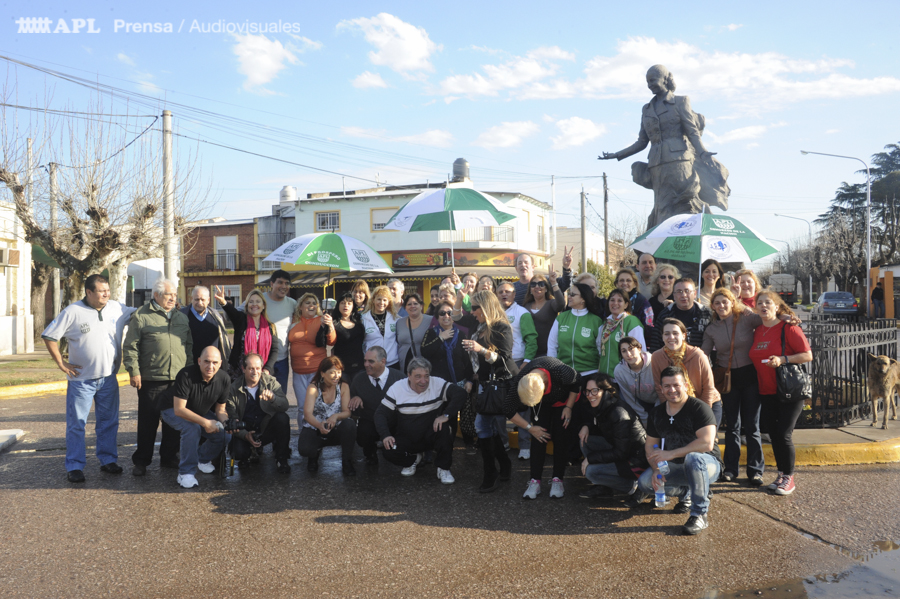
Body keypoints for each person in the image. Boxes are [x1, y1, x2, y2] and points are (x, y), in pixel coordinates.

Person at [600, 64, 730, 229]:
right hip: (657, 165)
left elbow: (692, 132)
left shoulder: (681, 102)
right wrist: (617, 154)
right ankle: (661, 250)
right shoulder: (646, 109)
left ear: (665, 79)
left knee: (685, 203)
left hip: (680, 163)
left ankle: (701, 233)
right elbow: (641, 142)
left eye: (652, 80)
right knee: (662, 208)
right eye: (647, 82)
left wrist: (703, 152)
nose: (650, 85)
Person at [41, 274, 137, 483]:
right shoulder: (73, 311)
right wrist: (61, 362)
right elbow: (49, 335)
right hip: (81, 381)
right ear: (89, 292)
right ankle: (75, 466)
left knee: (109, 423)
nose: (106, 294)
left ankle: (108, 460)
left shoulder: (116, 308)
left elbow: (141, 314)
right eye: (102, 291)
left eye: (108, 290)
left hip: (108, 379)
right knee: (77, 424)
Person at [633, 366, 721, 535]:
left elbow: (707, 443)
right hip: (675, 465)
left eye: (676, 385)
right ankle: (690, 491)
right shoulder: (657, 413)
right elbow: (651, 445)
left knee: (694, 458)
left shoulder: (699, 408)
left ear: (686, 385)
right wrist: (655, 469)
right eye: (667, 386)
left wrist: (670, 454)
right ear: (661, 388)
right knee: (645, 483)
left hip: (706, 464)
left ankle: (699, 514)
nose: (671, 390)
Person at [123, 278, 192, 477]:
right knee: (148, 422)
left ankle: (169, 457)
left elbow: (188, 346)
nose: (173, 298)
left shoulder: (181, 317)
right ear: (156, 295)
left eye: (174, 295)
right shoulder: (142, 316)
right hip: (151, 378)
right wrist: (134, 370)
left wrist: (187, 374)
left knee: (173, 421)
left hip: (176, 379)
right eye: (168, 294)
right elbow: (131, 346)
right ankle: (142, 461)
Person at [749, 290, 812, 496]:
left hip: (789, 390)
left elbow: (807, 355)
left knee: (784, 434)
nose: (764, 306)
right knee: (774, 435)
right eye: (760, 303)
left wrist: (783, 359)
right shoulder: (757, 330)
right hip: (766, 391)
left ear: (777, 307)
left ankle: (789, 477)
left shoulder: (789, 328)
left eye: (768, 303)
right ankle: (782, 473)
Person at [701, 288, 765, 486]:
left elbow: (767, 317)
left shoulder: (746, 319)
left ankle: (755, 471)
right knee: (732, 427)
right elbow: (703, 354)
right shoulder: (712, 328)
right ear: (713, 306)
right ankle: (730, 469)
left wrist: (787, 317)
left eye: (725, 302)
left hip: (750, 376)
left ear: (732, 302)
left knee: (752, 426)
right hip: (728, 380)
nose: (721, 306)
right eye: (717, 303)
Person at [376, 357, 467, 484]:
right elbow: (380, 414)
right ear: (409, 375)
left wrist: (446, 415)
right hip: (407, 437)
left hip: (431, 434)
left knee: (445, 429)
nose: (423, 381)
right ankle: (413, 460)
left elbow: (461, 393)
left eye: (426, 376)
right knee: (388, 450)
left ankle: (443, 468)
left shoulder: (437, 383)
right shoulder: (397, 388)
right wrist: (385, 435)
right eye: (418, 376)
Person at [462, 290, 519, 492]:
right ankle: (503, 465)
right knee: (488, 427)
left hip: (502, 383)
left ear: (486, 308)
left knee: (483, 426)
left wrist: (481, 350)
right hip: (485, 384)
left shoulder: (501, 327)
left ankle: (491, 473)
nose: (472, 311)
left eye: (475, 308)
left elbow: (504, 359)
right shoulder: (478, 327)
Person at [504, 356, 581, 499]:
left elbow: (577, 382)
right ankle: (535, 481)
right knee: (538, 436)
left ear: (545, 384)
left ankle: (558, 479)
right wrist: (529, 428)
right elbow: (508, 409)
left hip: (562, 403)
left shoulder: (561, 372)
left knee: (560, 437)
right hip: (540, 407)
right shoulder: (522, 380)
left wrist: (569, 407)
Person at [158, 347, 231, 489]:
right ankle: (185, 473)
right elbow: (179, 410)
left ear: (220, 363)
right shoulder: (186, 375)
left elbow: (220, 409)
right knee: (192, 428)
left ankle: (202, 459)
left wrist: (226, 423)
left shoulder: (224, 379)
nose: (210, 366)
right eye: (206, 361)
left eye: (215, 362)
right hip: (171, 408)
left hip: (197, 410)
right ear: (199, 361)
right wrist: (205, 422)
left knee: (224, 435)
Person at [578, 374, 649, 499]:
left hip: (636, 461)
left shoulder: (619, 413)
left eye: (595, 391)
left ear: (606, 391)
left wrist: (590, 458)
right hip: (622, 450)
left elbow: (621, 452)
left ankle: (632, 486)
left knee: (591, 472)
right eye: (588, 391)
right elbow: (596, 424)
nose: (590, 395)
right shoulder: (603, 405)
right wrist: (586, 426)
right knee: (586, 440)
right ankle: (604, 486)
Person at [225, 353, 291, 474]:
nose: (255, 372)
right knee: (239, 453)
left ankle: (282, 458)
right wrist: (245, 435)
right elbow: (232, 419)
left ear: (262, 368)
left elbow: (285, 405)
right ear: (243, 369)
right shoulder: (233, 389)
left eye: (258, 368)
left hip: (265, 429)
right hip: (245, 430)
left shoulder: (271, 382)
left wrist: (273, 398)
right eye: (251, 368)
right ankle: (247, 454)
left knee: (283, 418)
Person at [651, 318, 722, 425]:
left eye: (675, 333)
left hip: (706, 403)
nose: (671, 337)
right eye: (667, 334)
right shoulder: (656, 357)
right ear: (662, 336)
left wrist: (701, 412)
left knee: (707, 440)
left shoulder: (698, 355)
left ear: (684, 335)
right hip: (675, 404)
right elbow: (659, 387)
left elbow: (708, 387)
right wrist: (672, 410)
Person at [497, 280, 538, 459]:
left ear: (514, 295)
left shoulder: (522, 313)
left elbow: (531, 339)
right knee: (499, 405)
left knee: (522, 405)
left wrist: (526, 362)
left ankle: (525, 445)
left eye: (508, 291)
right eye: (501, 292)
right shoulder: (492, 313)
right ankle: (502, 443)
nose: (504, 294)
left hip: (519, 362)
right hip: (497, 363)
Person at [298, 356, 357, 475]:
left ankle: (346, 461)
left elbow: (347, 412)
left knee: (350, 425)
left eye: (339, 372)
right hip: (316, 427)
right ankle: (313, 456)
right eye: (332, 372)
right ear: (323, 373)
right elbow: (307, 414)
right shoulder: (313, 388)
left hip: (336, 427)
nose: (337, 376)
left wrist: (335, 416)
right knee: (305, 449)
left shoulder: (343, 386)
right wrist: (320, 426)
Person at [349, 347, 406, 464]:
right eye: (365, 361)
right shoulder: (359, 380)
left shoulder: (399, 378)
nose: (366, 364)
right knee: (363, 435)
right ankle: (370, 454)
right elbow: (352, 407)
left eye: (371, 361)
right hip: (370, 421)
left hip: (395, 422)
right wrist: (355, 398)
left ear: (383, 361)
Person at [288, 293, 335, 425]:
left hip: (318, 371)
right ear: (301, 306)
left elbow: (331, 342)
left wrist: (330, 325)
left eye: (314, 303)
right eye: (307, 303)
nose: (311, 305)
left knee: (319, 405)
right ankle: (304, 433)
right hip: (298, 372)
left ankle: (320, 431)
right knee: (303, 407)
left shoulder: (322, 320)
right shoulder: (293, 321)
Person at [217, 287, 280, 377]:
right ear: (247, 306)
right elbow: (232, 312)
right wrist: (223, 302)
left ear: (264, 306)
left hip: (261, 372)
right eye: (251, 302)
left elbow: (275, 350)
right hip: (238, 372)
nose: (254, 304)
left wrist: (267, 369)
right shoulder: (241, 320)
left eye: (258, 301)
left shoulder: (270, 327)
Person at [548, 283, 604, 378]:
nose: (569, 296)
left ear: (583, 299)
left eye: (573, 295)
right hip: (564, 373)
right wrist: (553, 368)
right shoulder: (561, 318)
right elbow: (552, 345)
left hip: (590, 374)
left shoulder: (596, 321)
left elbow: (600, 349)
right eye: (569, 294)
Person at [647, 278, 711, 353]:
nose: (683, 295)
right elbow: (656, 343)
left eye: (687, 291)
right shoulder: (665, 315)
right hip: (671, 360)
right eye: (679, 292)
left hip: (700, 360)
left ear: (694, 294)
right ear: (674, 295)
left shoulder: (706, 313)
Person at [318, 291, 365, 382]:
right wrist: (330, 326)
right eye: (342, 303)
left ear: (353, 306)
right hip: (341, 369)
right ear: (338, 305)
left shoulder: (360, 322)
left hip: (359, 367)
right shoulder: (333, 323)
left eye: (349, 303)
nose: (345, 305)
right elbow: (328, 343)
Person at [599, 289, 645, 380]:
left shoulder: (631, 322)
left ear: (626, 304)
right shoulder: (605, 324)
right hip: (605, 377)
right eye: (612, 300)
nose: (615, 303)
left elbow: (641, 350)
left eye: (619, 300)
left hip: (624, 377)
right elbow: (599, 349)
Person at [181, 285, 232, 366]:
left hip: (212, 367)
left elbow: (232, 319)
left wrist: (225, 303)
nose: (200, 303)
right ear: (191, 299)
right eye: (196, 299)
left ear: (208, 300)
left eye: (202, 299)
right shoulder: (181, 315)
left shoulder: (216, 316)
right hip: (188, 366)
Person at [614, 337, 658, 427]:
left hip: (659, 402)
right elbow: (629, 398)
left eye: (631, 349)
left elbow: (662, 391)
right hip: (640, 403)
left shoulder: (654, 363)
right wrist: (644, 420)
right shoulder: (619, 371)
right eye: (624, 351)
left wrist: (657, 414)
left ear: (639, 349)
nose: (628, 354)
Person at [523, 270, 566, 357]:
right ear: (530, 290)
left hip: (548, 353)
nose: (537, 286)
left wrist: (553, 282)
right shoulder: (525, 307)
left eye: (541, 284)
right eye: (533, 285)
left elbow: (561, 304)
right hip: (528, 354)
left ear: (546, 289)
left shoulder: (551, 303)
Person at [362, 285, 400, 369]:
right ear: (373, 300)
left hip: (392, 362)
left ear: (389, 302)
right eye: (379, 299)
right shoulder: (364, 319)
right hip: (372, 363)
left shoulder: (395, 318)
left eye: (384, 300)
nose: (381, 303)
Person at [396, 293, 431, 371]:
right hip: (403, 365)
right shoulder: (399, 322)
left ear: (421, 306)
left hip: (423, 364)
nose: (412, 306)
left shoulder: (430, 321)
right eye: (409, 304)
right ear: (405, 307)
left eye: (415, 303)